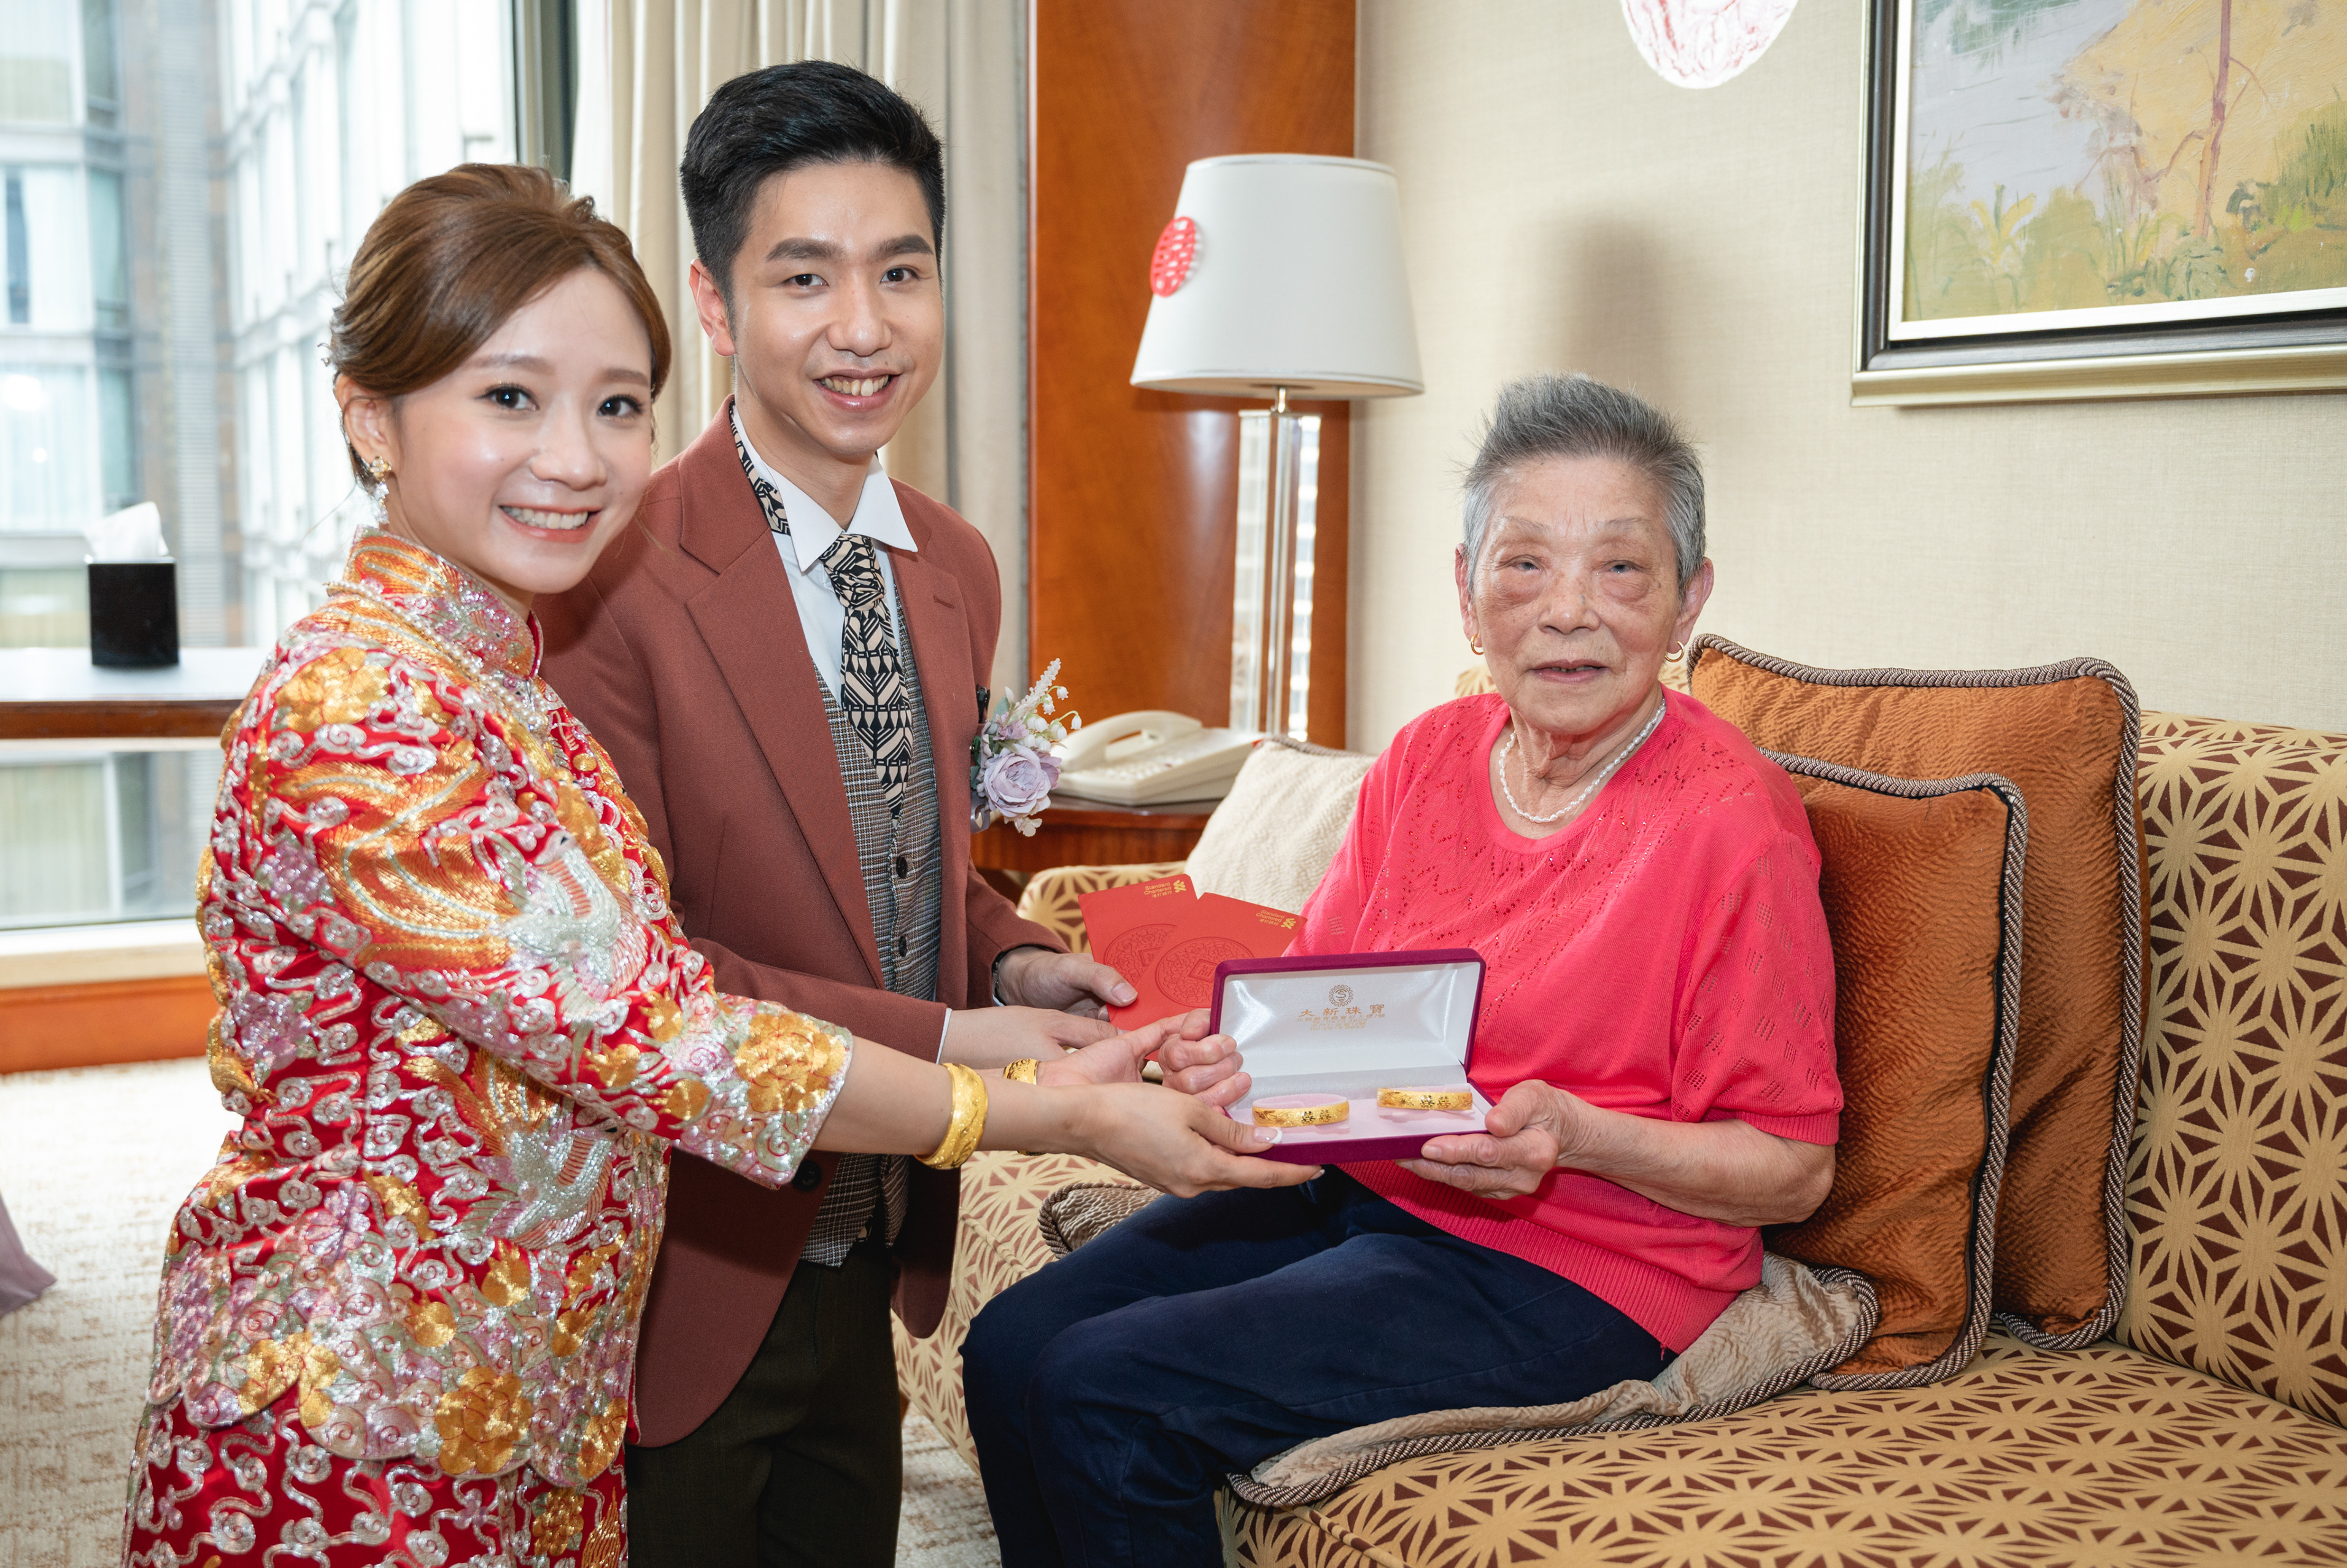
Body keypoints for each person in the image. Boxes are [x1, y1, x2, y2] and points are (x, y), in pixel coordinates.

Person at [119, 163, 1305, 1568]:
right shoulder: (364, 709)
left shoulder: (496, 676)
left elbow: (657, 978)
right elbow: (661, 1037)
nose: (577, 458)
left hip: (530, 1393)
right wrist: (1040, 1113)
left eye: (617, 405)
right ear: (371, 415)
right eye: (511, 398)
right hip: (360, 1413)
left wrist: (1008, 1023)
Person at [961, 373, 1846, 1568]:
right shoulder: (1428, 756)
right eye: (1524, 563)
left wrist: (1578, 1137)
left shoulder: (1735, 826)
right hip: (1370, 1187)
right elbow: (1315, 1001)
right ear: (1468, 594)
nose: (1568, 611)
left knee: (1106, 1389)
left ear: (1690, 599)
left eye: (1621, 568)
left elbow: (1793, 1169)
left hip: (1589, 1263)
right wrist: (1224, 1057)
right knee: (1013, 1345)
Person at [533, 62, 1193, 1566]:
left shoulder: (953, 564)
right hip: (688, 1248)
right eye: (804, 278)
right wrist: (961, 1039)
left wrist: (1014, 957)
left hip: (878, 1231)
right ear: (714, 304)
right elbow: (642, 977)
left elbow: (902, 858)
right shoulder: (611, 577)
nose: (864, 327)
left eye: (902, 271)